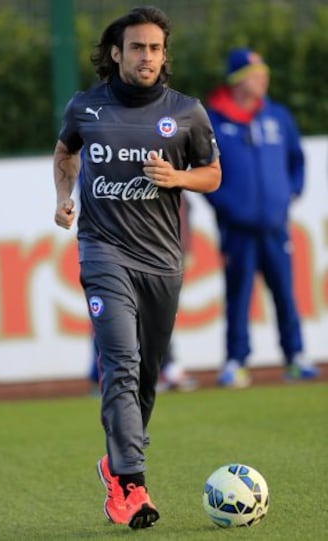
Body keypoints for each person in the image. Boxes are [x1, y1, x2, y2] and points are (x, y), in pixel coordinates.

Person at [53, 5, 221, 530]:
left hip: (162, 261)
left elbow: (212, 174)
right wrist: (63, 197)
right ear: (116, 53)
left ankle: (116, 461)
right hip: (103, 251)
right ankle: (130, 485)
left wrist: (177, 178)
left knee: (146, 377)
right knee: (121, 362)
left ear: (164, 55)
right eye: (136, 47)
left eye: (154, 48)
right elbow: (65, 153)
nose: (146, 56)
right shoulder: (86, 107)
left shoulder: (187, 112)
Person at [204, 47, 319, 388]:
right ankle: (236, 361)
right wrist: (226, 206)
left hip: (274, 223)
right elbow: (202, 170)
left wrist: (290, 193)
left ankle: (295, 356)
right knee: (238, 296)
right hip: (236, 228)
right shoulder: (213, 120)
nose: (263, 80)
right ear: (238, 81)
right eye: (255, 75)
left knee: (285, 291)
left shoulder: (278, 116)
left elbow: (297, 160)